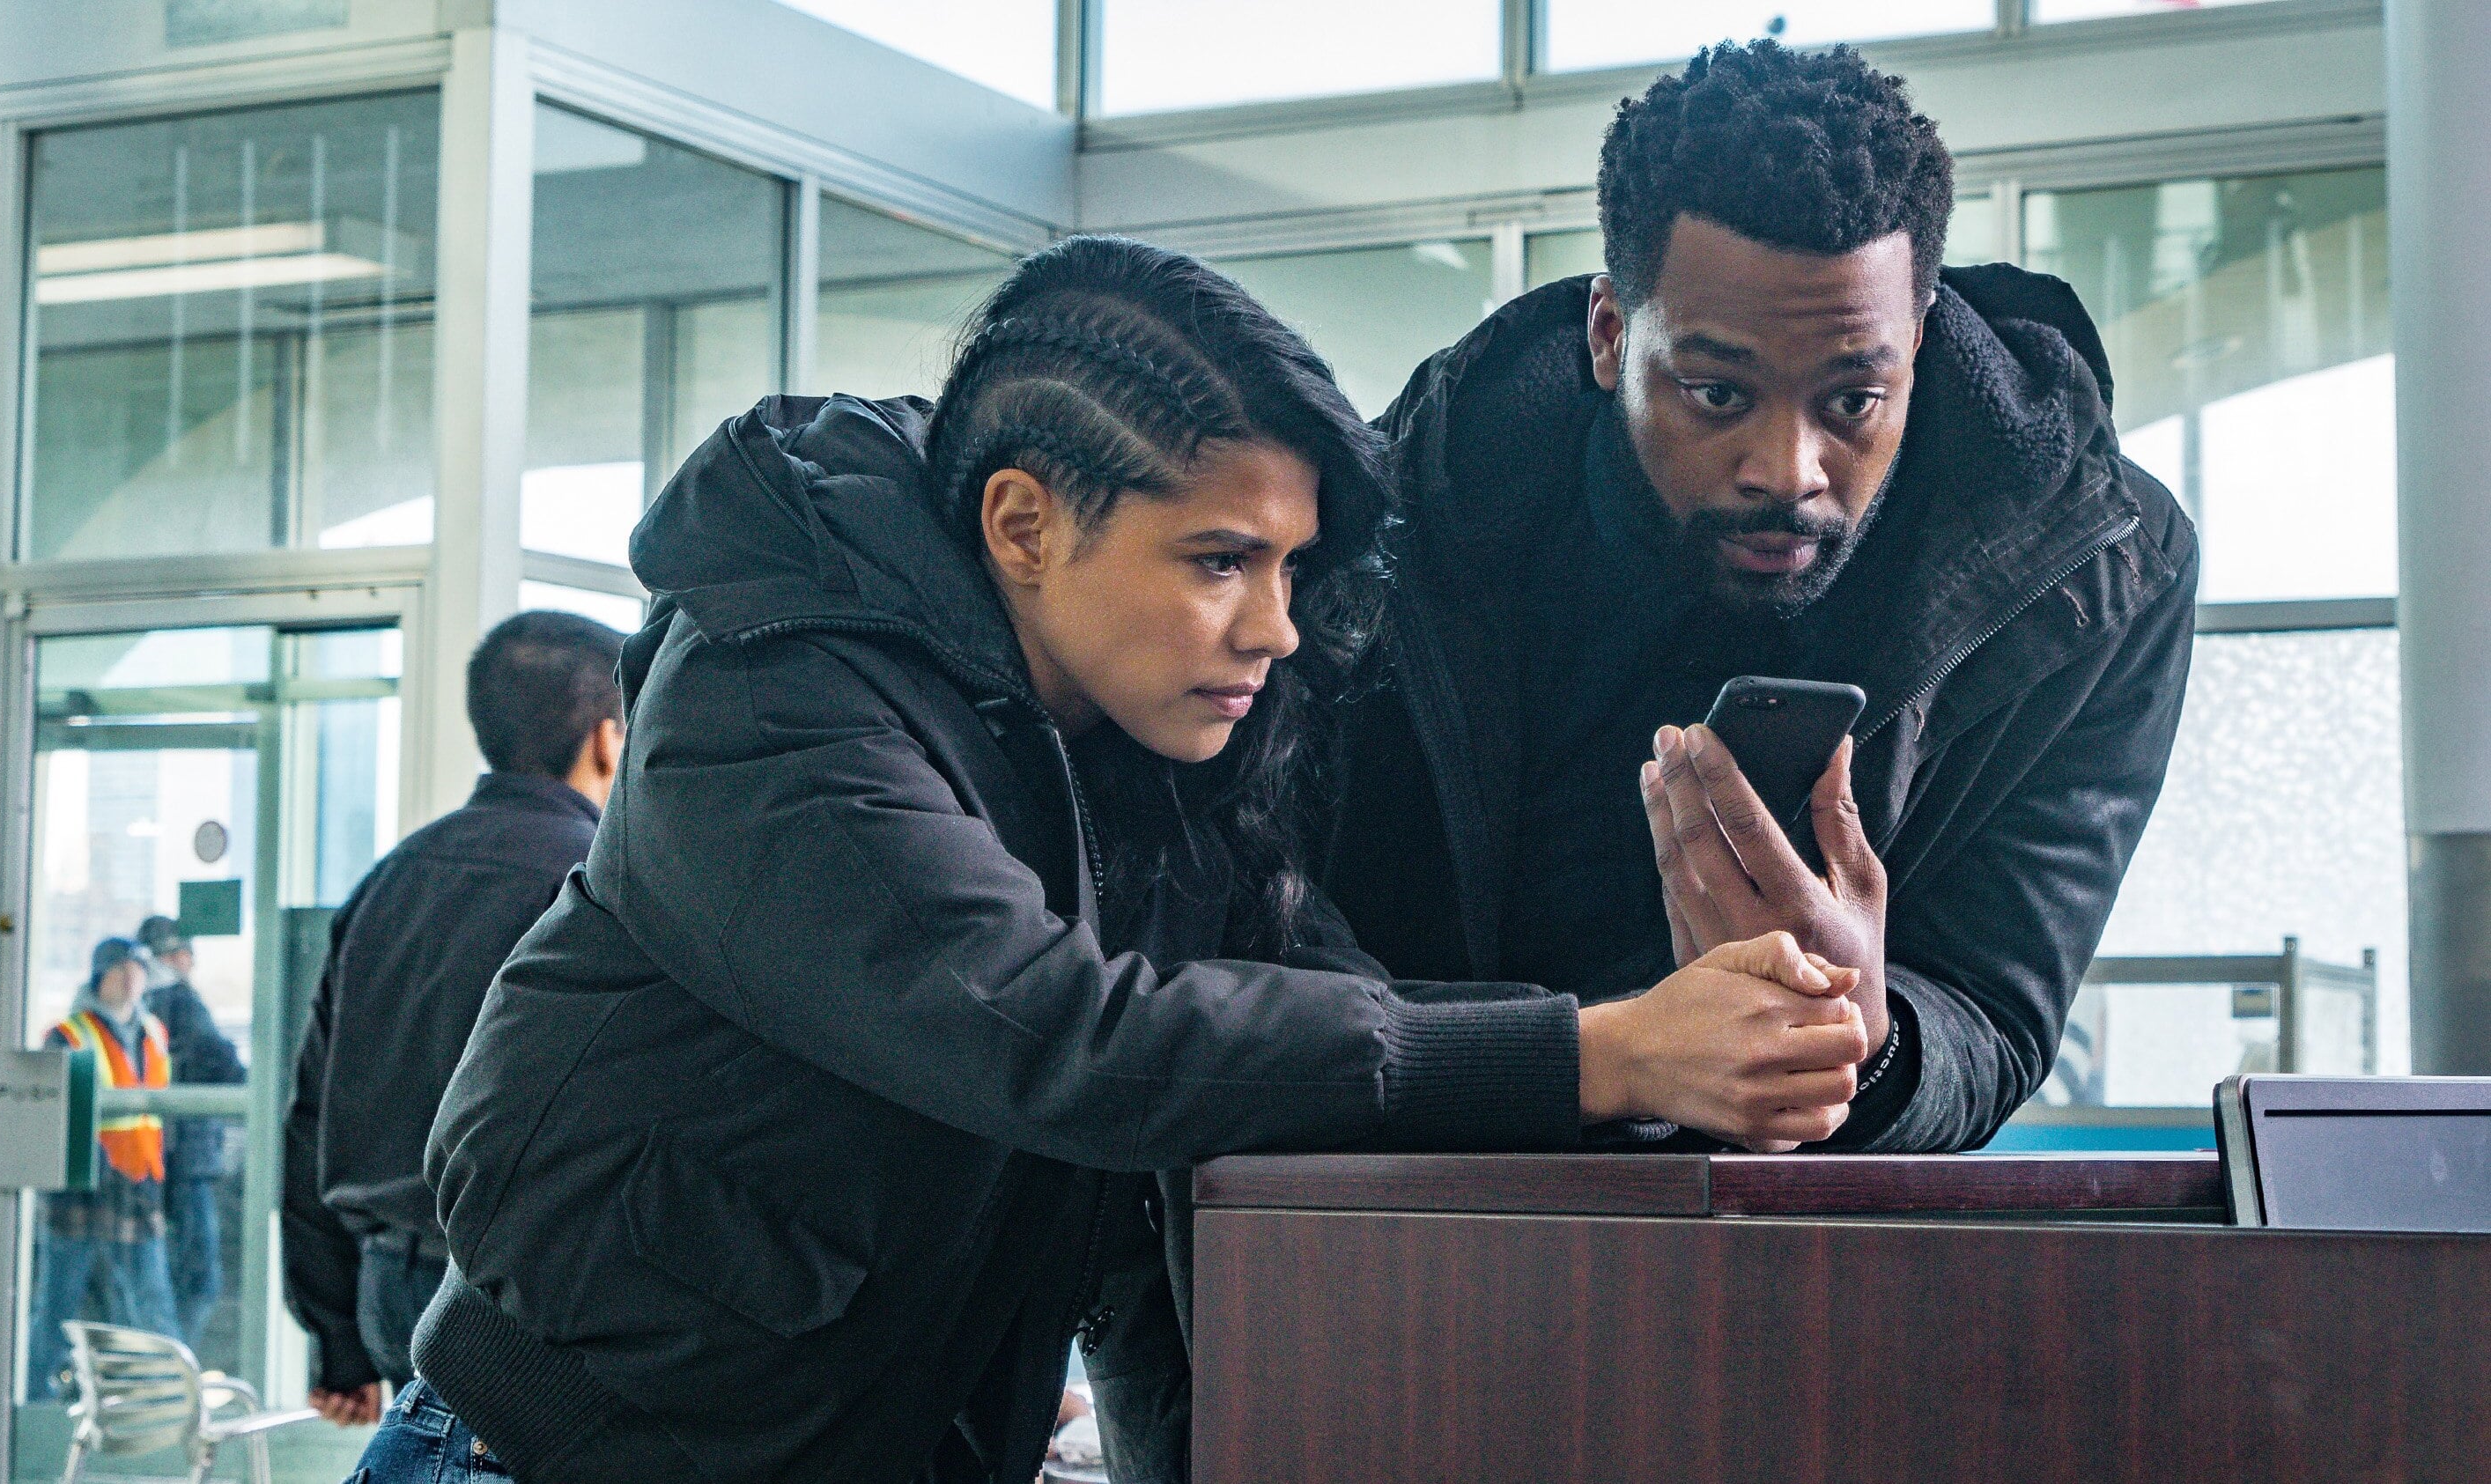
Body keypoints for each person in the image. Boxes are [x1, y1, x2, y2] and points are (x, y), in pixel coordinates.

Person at [345, 236, 1867, 1484]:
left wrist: (1701, 1053)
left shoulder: (1145, 740)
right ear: (1022, 524)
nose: (1275, 627)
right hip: (549, 1455)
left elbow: (1328, 993)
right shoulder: (776, 699)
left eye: (1290, 567)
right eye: (1220, 561)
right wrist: (1602, 1051)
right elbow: (1054, 1034)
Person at [1326, 41, 2199, 1154]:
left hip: (1799, 1239)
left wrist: (1872, 1038)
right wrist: (1598, 1055)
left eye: (1853, 400)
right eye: (1718, 393)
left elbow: (1997, 1005)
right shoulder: (1381, 530)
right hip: (1411, 1223)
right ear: (1610, 333)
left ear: (1919, 341)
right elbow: (1277, 967)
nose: (1788, 471)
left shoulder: (2099, 567)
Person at [283, 610, 625, 1429]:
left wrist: (336, 1336)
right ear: (607, 739)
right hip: (519, 1300)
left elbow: (310, 1116)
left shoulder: (388, 883)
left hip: (387, 1288)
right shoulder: (594, 886)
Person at [26, 937, 179, 1398]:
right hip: (80, 1196)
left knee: (151, 1307)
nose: (130, 979)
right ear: (99, 978)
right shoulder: (69, 1035)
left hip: (138, 1192)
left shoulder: (154, 1033)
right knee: (59, 1308)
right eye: (120, 970)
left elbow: (161, 1114)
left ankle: (168, 1398)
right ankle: (36, 1402)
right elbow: (54, 1121)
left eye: (137, 970)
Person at [136, 914, 247, 1355]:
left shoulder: (139, 1007)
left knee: (155, 1278)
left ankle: (161, 1363)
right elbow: (221, 1063)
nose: (189, 962)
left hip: (149, 1159)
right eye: (183, 954)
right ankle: (173, 1366)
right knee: (199, 1278)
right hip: (188, 1157)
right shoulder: (179, 1002)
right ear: (169, 958)